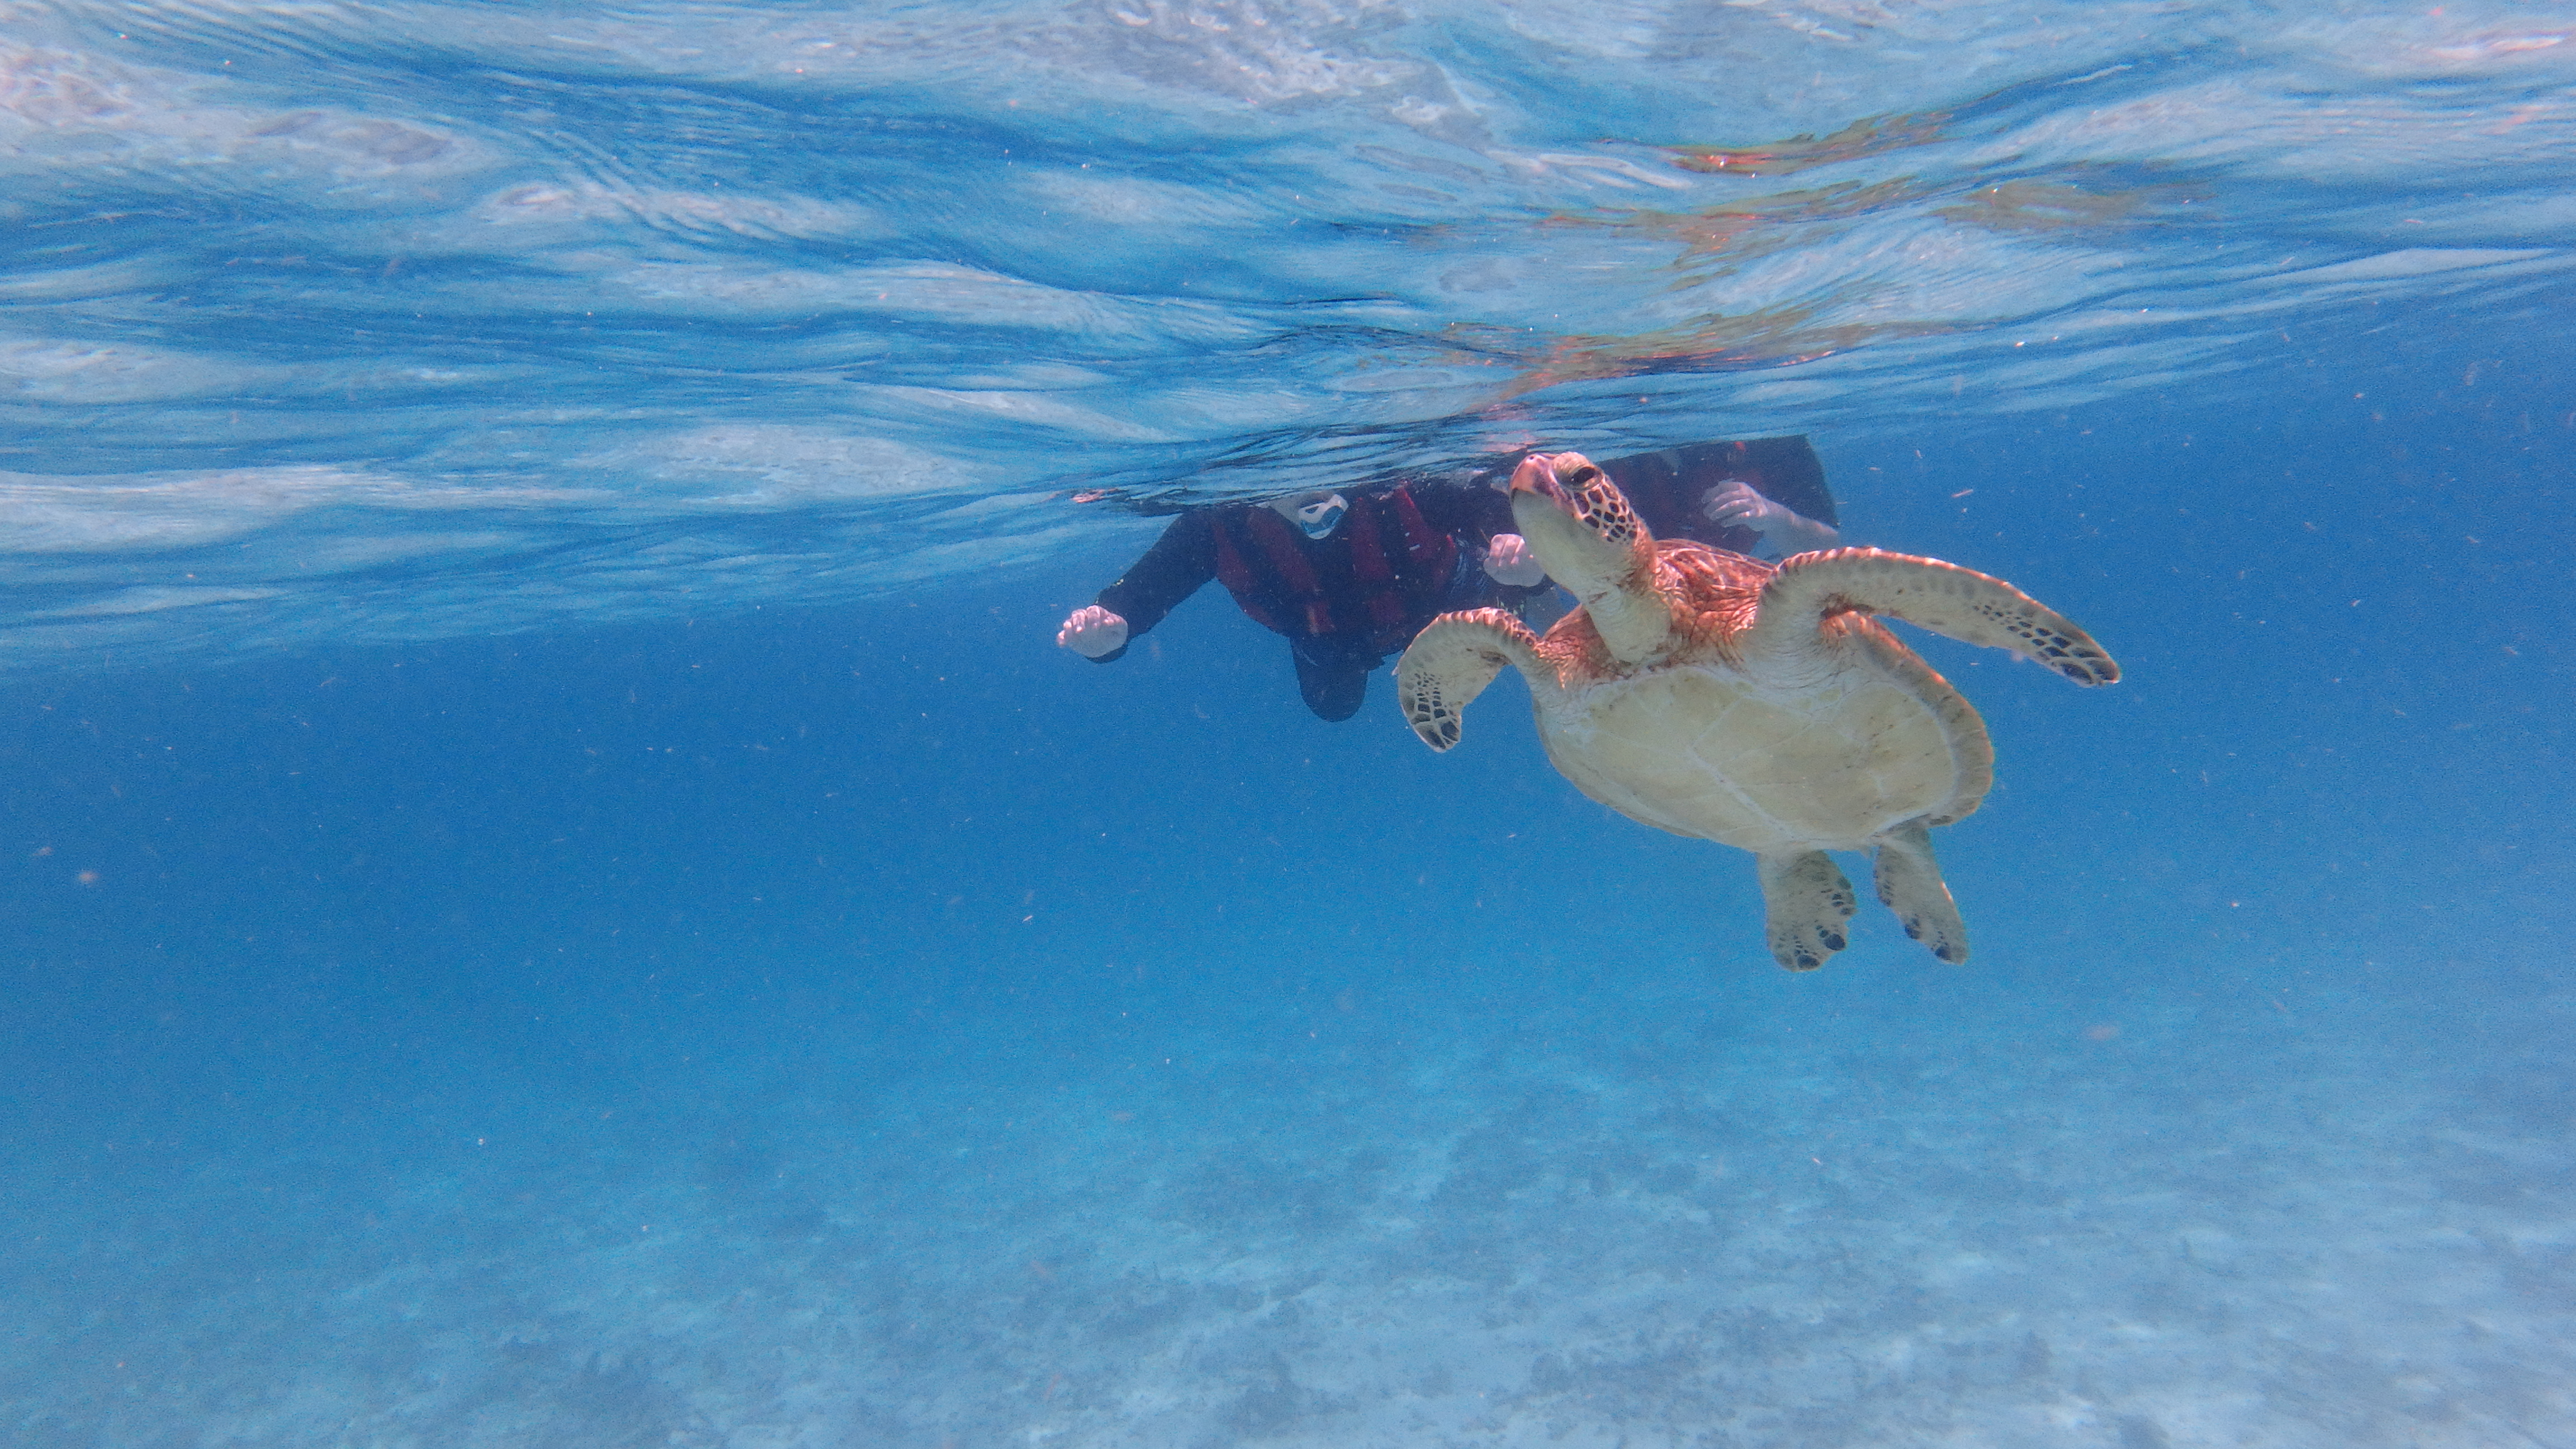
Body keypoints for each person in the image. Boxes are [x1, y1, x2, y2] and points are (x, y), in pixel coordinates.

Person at [1055, 481, 1546, 721]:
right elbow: (1145, 590)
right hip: (1331, 643)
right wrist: (1110, 633)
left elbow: (1488, 505)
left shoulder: (1401, 487)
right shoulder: (1217, 526)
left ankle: (1516, 600)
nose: (1309, 494)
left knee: (1511, 607)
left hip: (1451, 598)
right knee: (1333, 708)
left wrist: (1531, 562)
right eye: (1287, 486)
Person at [1579, 435, 1840, 557]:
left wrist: (1774, 516)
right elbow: (1537, 583)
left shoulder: (1773, 441)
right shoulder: (1592, 464)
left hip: (1732, 599)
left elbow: (1826, 551)